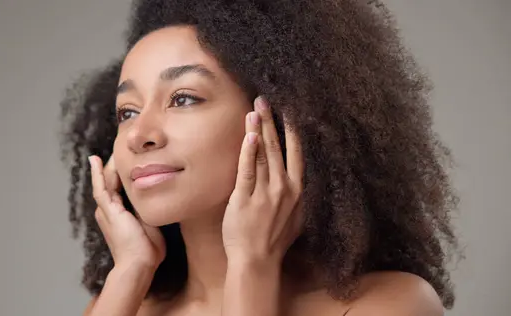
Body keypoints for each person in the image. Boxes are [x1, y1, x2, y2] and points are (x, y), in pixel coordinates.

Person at [59, 0, 460, 315]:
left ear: (282, 120)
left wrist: (253, 266)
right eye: (127, 112)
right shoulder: (120, 304)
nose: (138, 136)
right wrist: (129, 271)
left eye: (183, 98)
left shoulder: (389, 304)